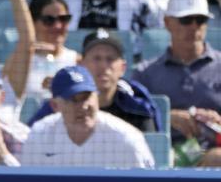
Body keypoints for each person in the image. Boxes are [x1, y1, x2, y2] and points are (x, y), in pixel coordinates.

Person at [133, 0, 221, 164]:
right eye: (186, 20)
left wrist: (216, 122)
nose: (194, 26)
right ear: (167, 23)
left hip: (213, 153)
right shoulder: (145, 72)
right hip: (160, 154)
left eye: (201, 20)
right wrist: (167, 117)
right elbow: (131, 118)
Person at [20, 64, 155, 166]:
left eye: (86, 97)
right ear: (55, 106)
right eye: (73, 99)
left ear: (97, 98)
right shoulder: (39, 135)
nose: (83, 106)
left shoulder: (127, 139)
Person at [29, 29, 161, 131]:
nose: (103, 66)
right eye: (96, 58)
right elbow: (31, 137)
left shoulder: (137, 109)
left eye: (110, 59)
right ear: (81, 64)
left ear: (123, 68)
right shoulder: (61, 103)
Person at [4, 0, 80, 103]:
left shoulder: (77, 61)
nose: (57, 26)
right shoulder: (19, 60)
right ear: (33, 22)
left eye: (63, 19)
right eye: (49, 20)